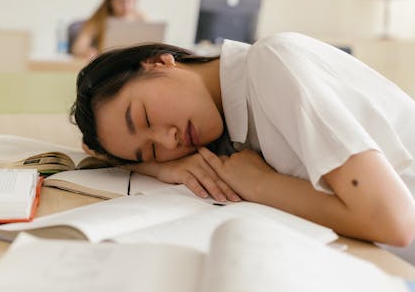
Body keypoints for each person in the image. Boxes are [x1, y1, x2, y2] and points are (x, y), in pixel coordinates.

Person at [70, 32, 415, 255]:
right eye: (152, 150)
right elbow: (96, 151)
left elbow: (394, 222)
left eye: (144, 117)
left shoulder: (271, 65)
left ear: (160, 61)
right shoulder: (225, 128)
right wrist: (162, 166)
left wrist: (261, 184)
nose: (168, 139)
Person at [71, 0, 145, 59]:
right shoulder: (99, 19)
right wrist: (87, 52)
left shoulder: (140, 18)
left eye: (130, 1)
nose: (126, 7)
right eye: (121, 1)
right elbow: (78, 49)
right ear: (111, 0)